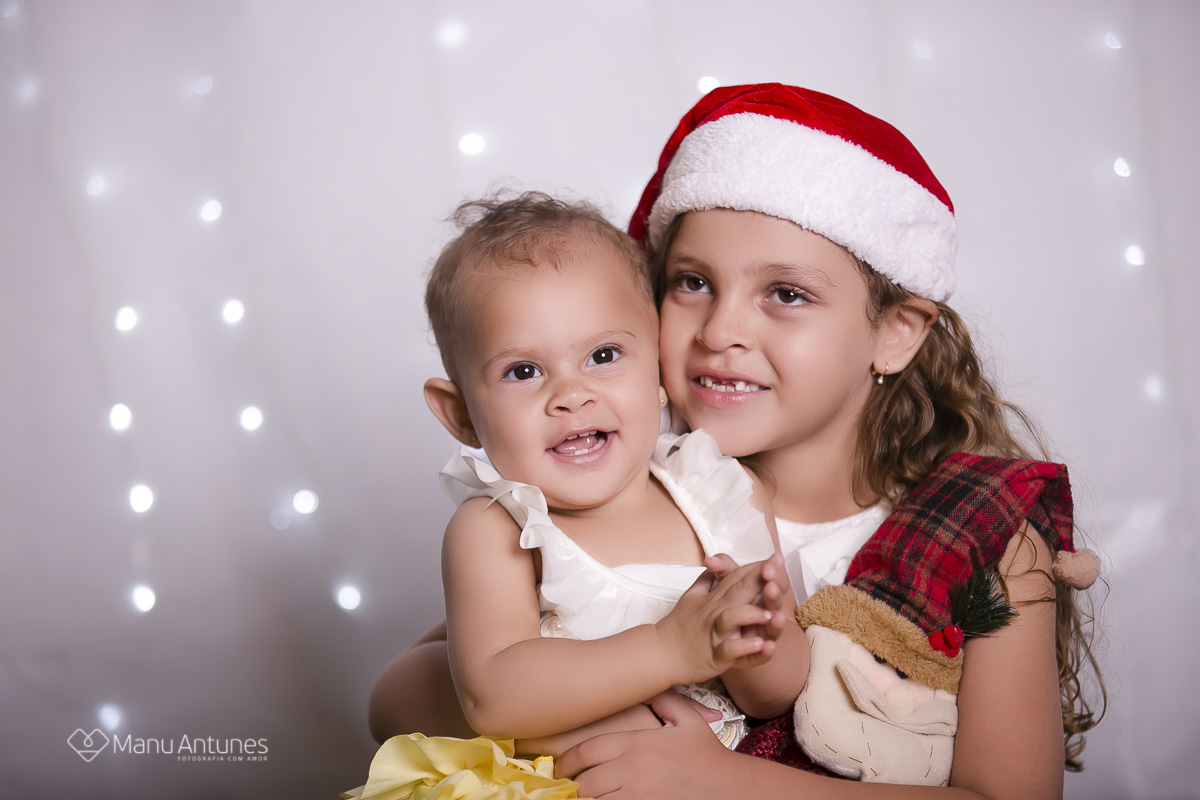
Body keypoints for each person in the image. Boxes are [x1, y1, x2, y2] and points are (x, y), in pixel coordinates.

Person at [371, 84, 1105, 799]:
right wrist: (571, 725)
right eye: (691, 282)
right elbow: (401, 697)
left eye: (786, 294)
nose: (720, 331)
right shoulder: (626, 499)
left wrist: (722, 781)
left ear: (893, 332)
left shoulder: (986, 541)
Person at [351, 192, 808, 799]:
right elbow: (494, 697)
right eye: (524, 371)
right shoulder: (497, 528)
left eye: (604, 355)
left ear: (660, 371)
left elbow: (779, 694)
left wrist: (759, 638)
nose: (571, 394)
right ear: (461, 415)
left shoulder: (723, 493)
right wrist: (671, 647)